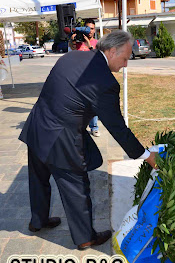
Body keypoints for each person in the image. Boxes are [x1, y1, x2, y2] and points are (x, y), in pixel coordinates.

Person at [19, 30, 157, 251]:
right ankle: (85, 238)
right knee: (76, 186)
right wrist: (146, 155)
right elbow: (117, 129)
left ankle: (38, 221)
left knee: (38, 177)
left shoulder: (72, 56)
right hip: (61, 138)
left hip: (37, 125)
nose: (126, 65)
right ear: (112, 52)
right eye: (125, 58)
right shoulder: (105, 83)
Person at [69, 18, 100, 137]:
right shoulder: (78, 41)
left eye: (92, 28)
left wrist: (89, 45)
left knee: (93, 104)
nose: (90, 31)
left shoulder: (97, 43)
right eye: (88, 28)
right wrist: (72, 39)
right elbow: (71, 48)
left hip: (92, 78)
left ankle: (94, 127)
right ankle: (79, 128)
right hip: (78, 77)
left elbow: (98, 60)